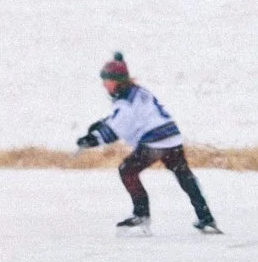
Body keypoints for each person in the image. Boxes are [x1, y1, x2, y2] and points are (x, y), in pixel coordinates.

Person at [77, 52, 219, 234]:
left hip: (155, 142)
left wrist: (92, 139)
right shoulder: (139, 92)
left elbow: (116, 129)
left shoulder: (124, 102)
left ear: (118, 81)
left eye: (107, 80)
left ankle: (141, 215)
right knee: (184, 175)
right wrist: (104, 123)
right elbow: (125, 119)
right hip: (172, 137)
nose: (104, 85)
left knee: (127, 170)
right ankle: (206, 217)